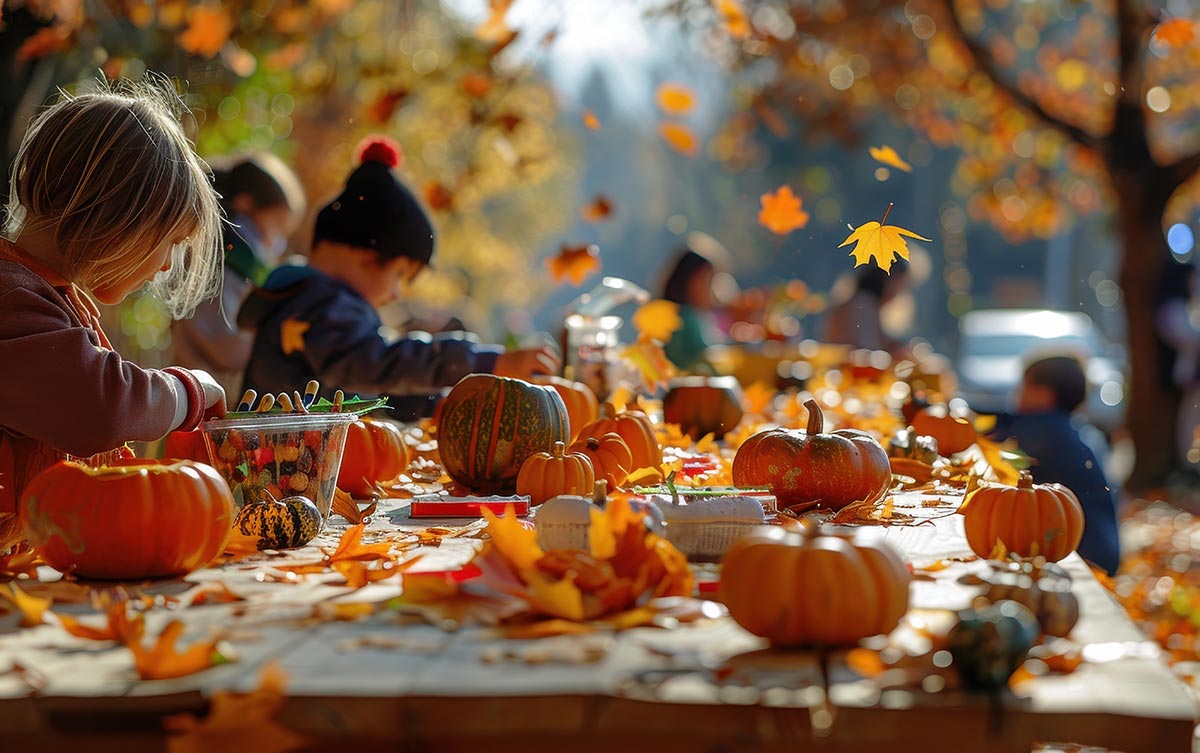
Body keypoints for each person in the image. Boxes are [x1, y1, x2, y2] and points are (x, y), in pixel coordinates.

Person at [0, 80, 228, 526]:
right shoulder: (12, 298)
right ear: (119, 217)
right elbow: (99, 405)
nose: (165, 267)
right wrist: (189, 392)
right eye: (170, 242)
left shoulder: (44, 293)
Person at [238, 136, 558, 419]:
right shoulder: (324, 306)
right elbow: (379, 365)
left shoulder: (306, 300)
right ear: (366, 256)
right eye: (399, 276)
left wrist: (434, 405)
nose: (395, 294)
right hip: (287, 466)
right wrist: (486, 363)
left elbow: (368, 387)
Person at [172, 153, 305, 395]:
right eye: (276, 226)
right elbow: (224, 347)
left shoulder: (237, 267)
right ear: (245, 205)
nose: (277, 242)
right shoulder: (222, 266)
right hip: (204, 407)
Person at [987, 355, 1120, 575]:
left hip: (1086, 556)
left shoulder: (1046, 431)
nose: (1017, 394)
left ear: (1044, 394)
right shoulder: (1064, 427)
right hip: (1098, 546)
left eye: (1024, 386)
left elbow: (998, 427)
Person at [659, 233, 728, 372]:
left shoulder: (684, 315)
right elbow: (704, 361)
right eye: (709, 282)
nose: (713, 292)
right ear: (690, 282)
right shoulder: (683, 319)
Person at [1154, 262, 1200, 468]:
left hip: (1189, 373)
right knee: (1189, 418)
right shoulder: (1172, 308)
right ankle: (1187, 461)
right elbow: (1186, 337)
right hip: (1187, 374)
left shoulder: (1183, 308)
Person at [822, 262, 910, 354]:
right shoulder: (862, 304)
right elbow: (864, 350)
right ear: (886, 281)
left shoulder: (862, 302)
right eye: (899, 284)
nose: (900, 292)